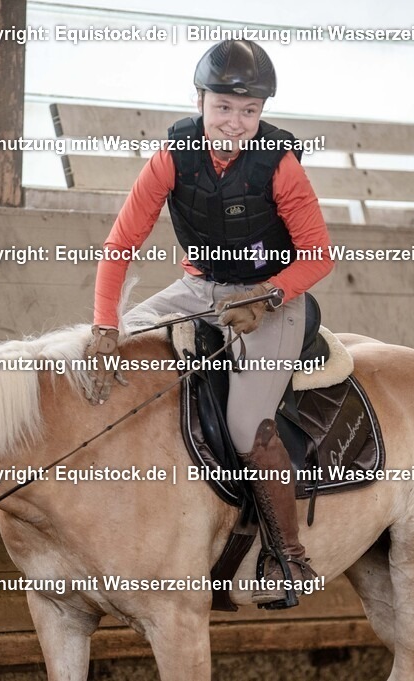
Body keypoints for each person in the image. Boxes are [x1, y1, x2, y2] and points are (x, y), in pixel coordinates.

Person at [85, 39, 334, 607]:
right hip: (199, 287)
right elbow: (122, 242)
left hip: (272, 295)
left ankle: (289, 555)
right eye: (223, 107)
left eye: (250, 111)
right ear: (200, 101)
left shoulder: (281, 165)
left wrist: (267, 297)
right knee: (108, 348)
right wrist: (105, 325)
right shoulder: (172, 159)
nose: (235, 122)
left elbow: (319, 254)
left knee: (249, 425)